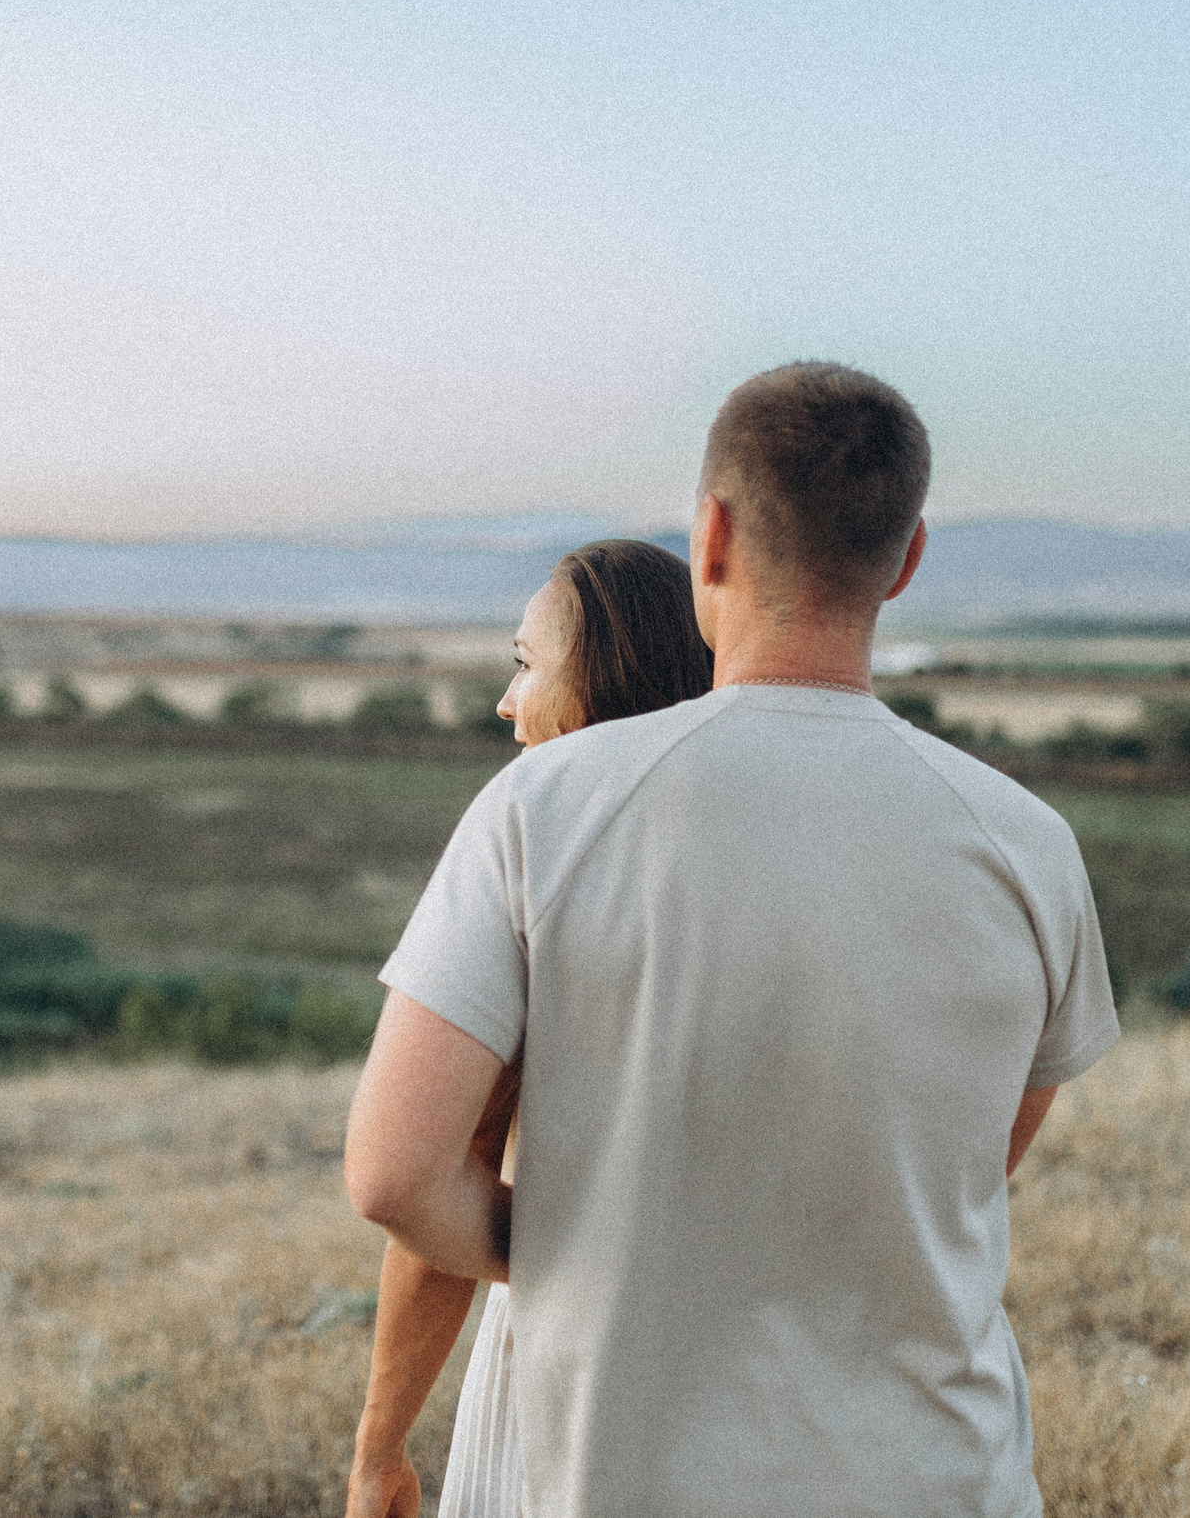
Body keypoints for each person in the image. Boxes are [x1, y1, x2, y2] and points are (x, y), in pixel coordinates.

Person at [346, 363, 1119, 1518]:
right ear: (905, 561)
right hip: (943, 1483)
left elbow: (394, 1174)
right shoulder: (1029, 845)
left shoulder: (545, 809)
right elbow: (974, 1164)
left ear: (709, 536)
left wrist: (572, 1233)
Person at [346, 538, 714, 1518]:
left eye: (525, 663)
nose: (507, 702)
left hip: (570, 1369)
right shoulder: (775, 850)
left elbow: (424, 1171)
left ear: (607, 674)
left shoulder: (537, 834)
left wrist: (378, 1450)